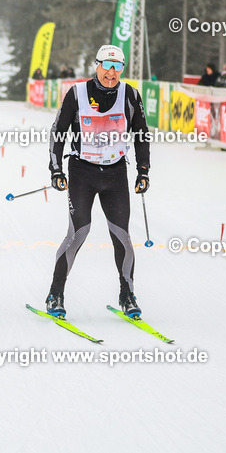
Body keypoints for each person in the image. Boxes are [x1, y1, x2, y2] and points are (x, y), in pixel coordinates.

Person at [46, 44, 151, 320]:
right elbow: (58, 132)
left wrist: (143, 170)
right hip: (82, 172)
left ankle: (127, 295)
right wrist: (56, 170)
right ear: (97, 65)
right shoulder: (78, 93)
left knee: (122, 237)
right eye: (107, 65)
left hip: (115, 174)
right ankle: (56, 293)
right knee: (78, 233)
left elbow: (141, 133)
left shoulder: (130, 95)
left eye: (118, 67)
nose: (112, 73)